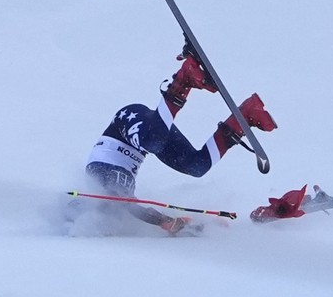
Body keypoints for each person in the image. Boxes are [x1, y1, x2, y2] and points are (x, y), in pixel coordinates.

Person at [85, 41, 277, 234]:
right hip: (148, 140)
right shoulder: (122, 201)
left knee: (152, 142)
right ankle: (243, 117)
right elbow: (135, 208)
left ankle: (183, 79)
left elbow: (128, 206)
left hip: (127, 123)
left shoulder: (100, 184)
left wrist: (166, 221)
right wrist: (197, 226)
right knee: (197, 166)